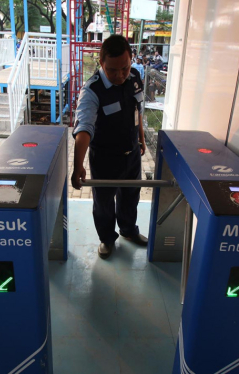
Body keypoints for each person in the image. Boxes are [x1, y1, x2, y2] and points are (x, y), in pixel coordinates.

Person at [71, 35, 147, 259]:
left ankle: (128, 231)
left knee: (131, 195)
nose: (120, 75)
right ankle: (106, 238)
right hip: (105, 158)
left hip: (131, 154)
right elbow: (84, 129)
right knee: (103, 202)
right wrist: (78, 166)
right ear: (101, 62)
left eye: (124, 67)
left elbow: (138, 111)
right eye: (112, 70)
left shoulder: (134, 77)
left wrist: (141, 138)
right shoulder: (92, 90)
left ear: (131, 60)